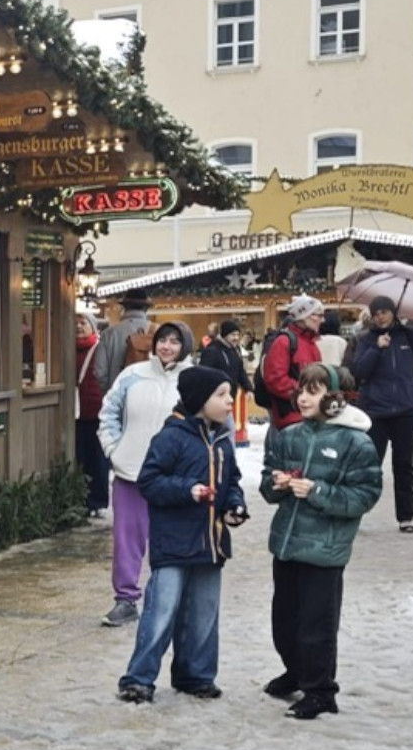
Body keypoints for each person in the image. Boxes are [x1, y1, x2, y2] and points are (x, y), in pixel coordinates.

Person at [114, 366, 248, 703]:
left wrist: (235, 505)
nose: (229, 401)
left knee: (204, 615)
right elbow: (149, 482)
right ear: (199, 400)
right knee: (162, 612)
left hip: (211, 543)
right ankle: (139, 678)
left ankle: (196, 675)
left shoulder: (222, 440)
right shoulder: (171, 437)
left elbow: (231, 482)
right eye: (221, 395)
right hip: (173, 543)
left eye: (229, 394)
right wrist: (188, 490)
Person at [259, 365, 383, 720]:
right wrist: (276, 483)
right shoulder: (289, 435)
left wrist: (319, 491)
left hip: (325, 550)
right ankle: (296, 671)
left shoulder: (356, 442)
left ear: (335, 398)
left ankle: (320, 689)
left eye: (313, 391)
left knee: (317, 623)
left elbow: (365, 495)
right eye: (301, 390)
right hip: (286, 543)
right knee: (284, 620)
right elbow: (268, 482)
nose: (302, 397)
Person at [98, 322, 190, 627]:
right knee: (127, 538)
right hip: (131, 471)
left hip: (175, 477)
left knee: (174, 537)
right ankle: (125, 599)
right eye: (162, 340)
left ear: (185, 345)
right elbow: (108, 411)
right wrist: (114, 449)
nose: (166, 346)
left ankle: (171, 598)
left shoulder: (193, 379)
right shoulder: (132, 375)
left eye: (175, 341)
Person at [350, 295, 413, 534]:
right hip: (375, 411)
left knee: (404, 464)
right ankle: (356, 512)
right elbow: (358, 372)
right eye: (376, 314)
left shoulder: (411, 337)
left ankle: (406, 516)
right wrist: (377, 349)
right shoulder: (366, 340)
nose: (381, 317)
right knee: (370, 466)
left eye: (385, 312)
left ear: (393, 313)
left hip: (405, 412)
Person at [259, 295, 325, 433]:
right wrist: (307, 394)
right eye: (318, 315)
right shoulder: (284, 342)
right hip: (291, 419)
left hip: (309, 417)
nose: (322, 320)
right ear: (304, 316)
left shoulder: (312, 344)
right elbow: (275, 380)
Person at [74, 312, 111, 516]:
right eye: (76, 323)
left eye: (83, 323)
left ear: (93, 326)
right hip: (76, 412)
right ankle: (81, 497)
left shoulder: (100, 348)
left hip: (97, 411)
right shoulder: (66, 349)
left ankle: (97, 500)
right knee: (80, 457)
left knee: (98, 459)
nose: (78, 327)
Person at [92, 288, 152, 390]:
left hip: (117, 394)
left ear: (124, 307)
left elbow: (99, 371)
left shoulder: (109, 333)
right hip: (149, 396)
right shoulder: (158, 332)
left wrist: (109, 391)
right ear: (146, 308)